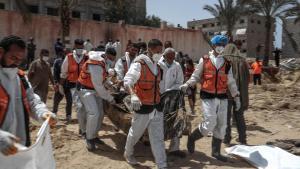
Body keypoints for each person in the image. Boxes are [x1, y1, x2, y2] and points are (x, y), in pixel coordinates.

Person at [180, 35, 240, 162]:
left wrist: (236, 96)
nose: (221, 48)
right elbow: (196, 76)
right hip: (208, 96)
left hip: (223, 97)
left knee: (222, 125)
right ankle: (192, 138)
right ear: (213, 46)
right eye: (219, 45)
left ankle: (216, 151)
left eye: (223, 46)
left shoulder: (227, 63)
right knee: (209, 123)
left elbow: (231, 81)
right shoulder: (205, 60)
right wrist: (188, 84)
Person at [0, 35, 56, 156]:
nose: (16, 62)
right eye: (13, 57)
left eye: (20, 59)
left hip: (18, 148)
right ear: (1, 52)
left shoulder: (20, 77)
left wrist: (43, 112)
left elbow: (32, 100)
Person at [123, 39, 167, 168]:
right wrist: (133, 95)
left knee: (158, 137)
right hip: (143, 106)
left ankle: (161, 164)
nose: (160, 53)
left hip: (157, 106)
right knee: (135, 133)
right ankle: (128, 153)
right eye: (158, 51)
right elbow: (128, 81)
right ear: (150, 49)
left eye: (161, 51)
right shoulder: (139, 64)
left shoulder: (158, 66)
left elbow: (160, 86)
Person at [77, 48, 117, 151]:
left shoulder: (102, 62)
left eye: (113, 59)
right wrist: (110, 98)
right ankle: (89, 138)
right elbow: (99, 85)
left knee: (100, 113)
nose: (112, 61)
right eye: (111, 59)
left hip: (94, 89)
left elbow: (102, 79)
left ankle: (94, 136)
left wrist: (111, 86)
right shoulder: (96, 64)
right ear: (106, 55)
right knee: (94, 113)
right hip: (85, 89)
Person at [158, 48, 185, 158]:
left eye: (173, 57)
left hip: (172, 98)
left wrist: (170, 91)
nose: (171, 59)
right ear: (164, 56)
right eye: (169, 57)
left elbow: (180, 81)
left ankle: (174, 148)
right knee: (157, 123)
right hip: (157, 98)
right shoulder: (157, 64)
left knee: (176, 120)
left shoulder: (177, 65)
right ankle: (157, 147)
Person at [223, 40, 250, 145]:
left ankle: (227, 139)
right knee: (239, 117)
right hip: (240, 94)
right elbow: (248, 78)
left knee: (226, 117)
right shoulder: (243, 61)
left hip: (227, 94)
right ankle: (243, 139)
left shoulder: (224, 61)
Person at [60, 39, 88, 122]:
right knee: (69, 101)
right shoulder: (69, 57)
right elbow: (64, 72)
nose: (80, 49)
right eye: (78, 47)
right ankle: (68, 115)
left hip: (82, 84)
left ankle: (82, 120)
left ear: (83, 47)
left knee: (81, 104)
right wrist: (60, 85)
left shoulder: (86, 57)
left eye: (81, 47)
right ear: (75, 46)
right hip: (70, 83)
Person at [52, 49, 65, 115]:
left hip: (68, 83)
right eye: (64, 52)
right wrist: (56, 82)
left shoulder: (71, 61)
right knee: (57, 98)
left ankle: (68, 114)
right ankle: (54, 111)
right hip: (59, 82)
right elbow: (55, 72)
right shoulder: (58, 61)